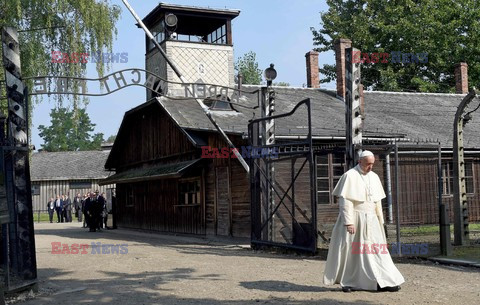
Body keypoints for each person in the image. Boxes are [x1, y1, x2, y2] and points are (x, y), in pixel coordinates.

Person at [323, 150, 404, 292]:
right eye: (368, 164)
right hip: (356, 219)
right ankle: (350, 282)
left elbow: (377, 201)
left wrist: (381, 220)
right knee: (353, 252)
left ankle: (385, 281)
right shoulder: (349, 176)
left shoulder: (374, 177)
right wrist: (349, 222)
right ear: (359, 161)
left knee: (378, 251)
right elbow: (345, 201)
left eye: (372, 164)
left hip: (372, 220)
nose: (370, 167)